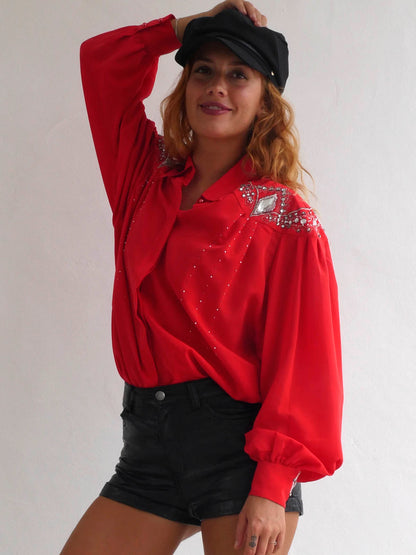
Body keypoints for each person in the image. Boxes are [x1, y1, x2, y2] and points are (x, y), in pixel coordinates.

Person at [61, 1, 343, 554]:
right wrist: (182, 28)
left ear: (265, 101)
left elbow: (306, 361)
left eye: (238, 74)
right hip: (146, 449)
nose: (217, 87)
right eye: (203, 70)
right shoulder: (143, 179)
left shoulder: (284, 218)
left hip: (239, 457)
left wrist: (270, 486)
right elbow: (100, 64)